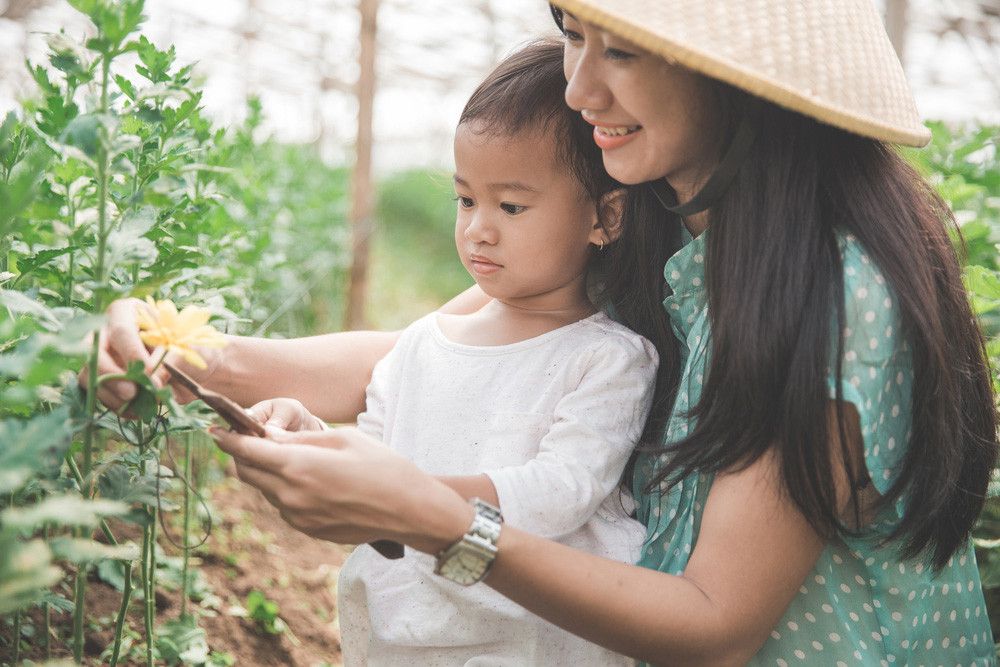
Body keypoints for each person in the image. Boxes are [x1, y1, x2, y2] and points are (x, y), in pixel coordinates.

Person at [89, 0, 999, 664]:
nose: (578, 84)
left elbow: (719, 623)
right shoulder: (651, 214)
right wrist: (191, 356)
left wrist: (436, 517)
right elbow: (437, 348)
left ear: (742, 71)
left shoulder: (831, 288)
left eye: (626, 50)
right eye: (572, 30)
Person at [272, 39, 658, 665]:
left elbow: (564, 488)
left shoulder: (608, 358)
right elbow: (376, 451)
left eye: (510, 205)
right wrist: (309, 440)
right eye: (465, 200)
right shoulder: (423, 344)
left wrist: (408, 495)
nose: (479, 226)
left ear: (605, 218)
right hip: (408, 637)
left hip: (531, 644)